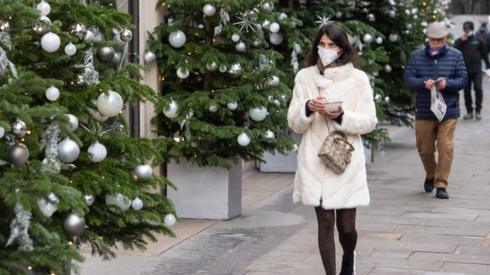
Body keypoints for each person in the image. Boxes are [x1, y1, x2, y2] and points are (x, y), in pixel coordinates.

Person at [287, 23, 377, 275]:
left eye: (332, 45)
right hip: (314, 159)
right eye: (322, 45)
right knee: (325, 222)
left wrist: (340, 116)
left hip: (345, 159)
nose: (326, 50)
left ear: (342, 48)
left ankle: (349, 254)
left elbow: (369, 121)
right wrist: (308, 108)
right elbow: (293, 121)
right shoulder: (304, 77)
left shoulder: (358, 79)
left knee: (346, 228)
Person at [405, 22, 467, 199]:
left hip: (448, 110)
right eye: (433, 40)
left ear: (446, 39)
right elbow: (409, 79)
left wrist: (447, 84)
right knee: (424, 148)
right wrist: (422, 83)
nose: (437, 43)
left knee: (445, 146)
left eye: (440, 40)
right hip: (425, 109)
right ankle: (431, 174)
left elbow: (463, 80)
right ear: (428, 39)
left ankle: (441, 184)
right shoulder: (416, 56)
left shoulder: (456, 55)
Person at [454, 21, 490, 120]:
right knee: (466, 91)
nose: (467, 30)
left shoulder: (478, 40)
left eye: (468, 29)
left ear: (472, 29)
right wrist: (462, 41)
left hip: (477, 70)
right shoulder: (460, 41)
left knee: (478, 88)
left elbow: (485, 54)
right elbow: (454, 50)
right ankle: (469, 111)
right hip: (465, 71)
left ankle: (478, 111)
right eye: (465, 29)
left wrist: (488, 67)